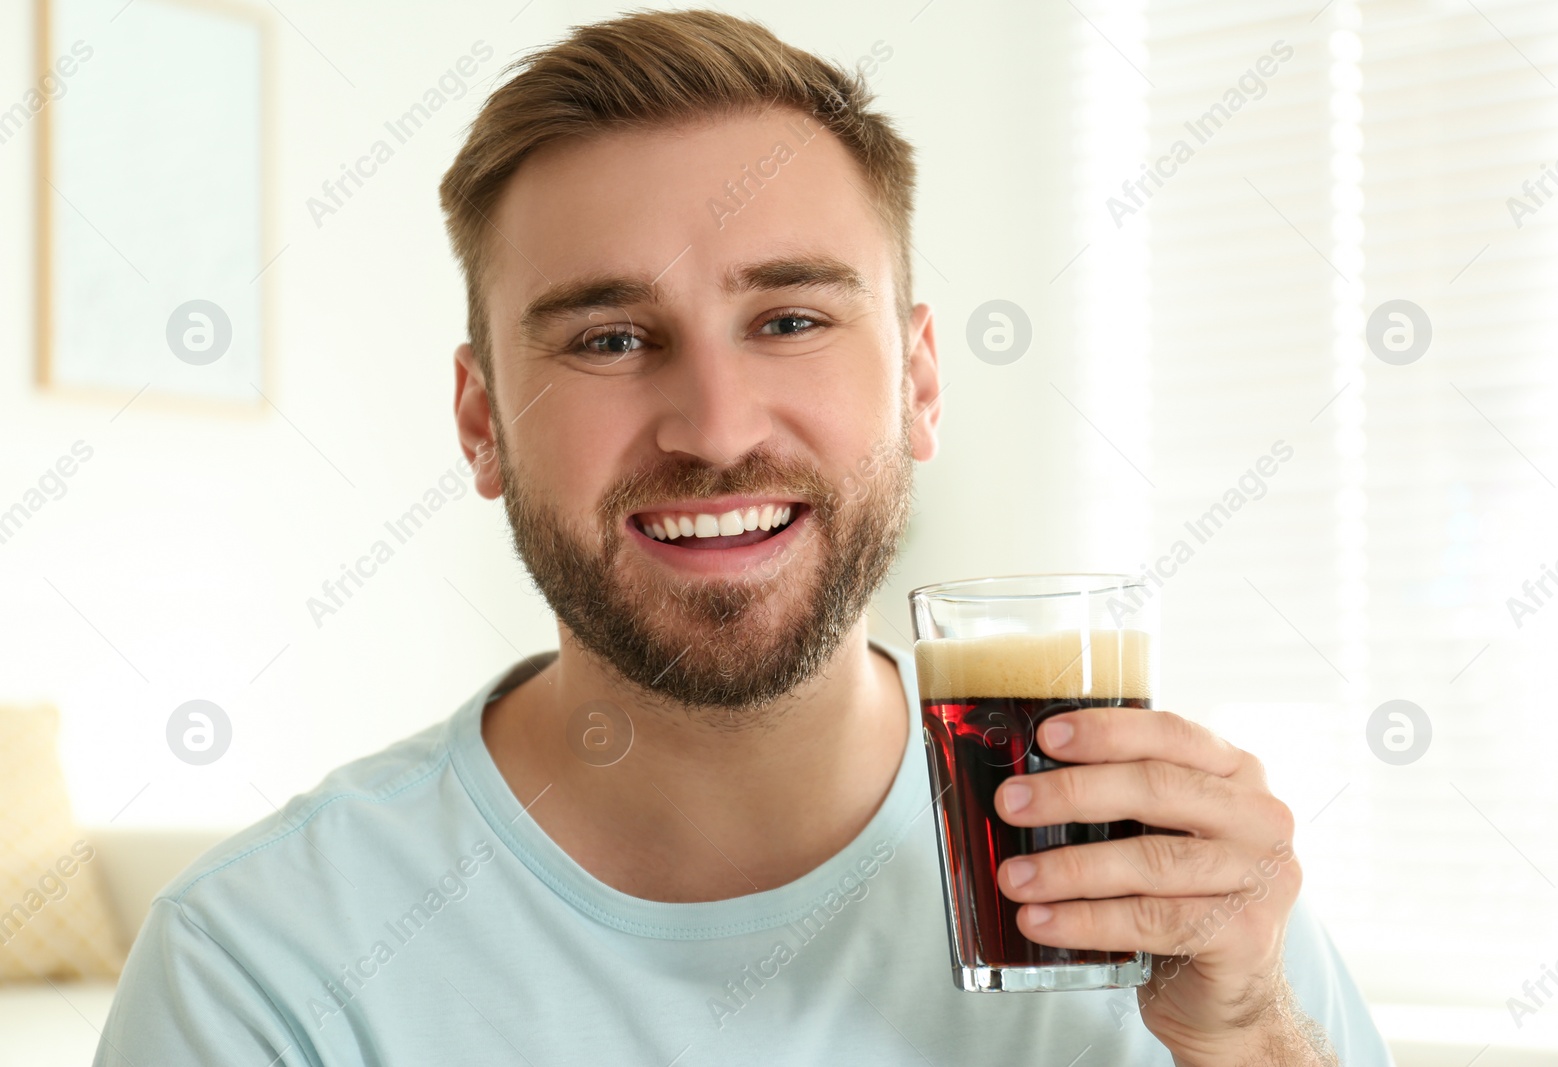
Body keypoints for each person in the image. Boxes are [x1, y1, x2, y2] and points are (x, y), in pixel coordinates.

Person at [97, 10, 1391, 1065]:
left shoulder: (1158, 900)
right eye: (609, 340)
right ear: (482, 422)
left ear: (921, 383)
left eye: (791, 322)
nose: (714, 430)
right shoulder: (258, 975)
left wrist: (1251, 1036)